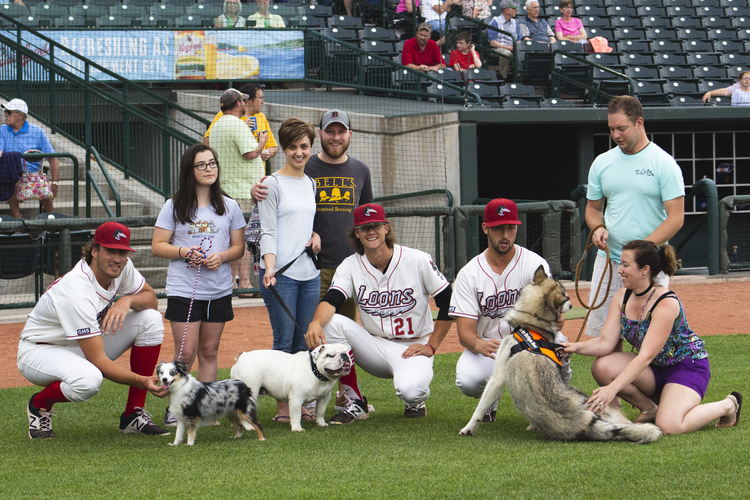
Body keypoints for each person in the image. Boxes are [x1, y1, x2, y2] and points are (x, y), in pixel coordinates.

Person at [563, 240, 742, 433]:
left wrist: (611, 389)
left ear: (644, 270)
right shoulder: (622, 296)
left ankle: (728, 405)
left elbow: (645, 356)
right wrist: (574, 347)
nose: (620, 270)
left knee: (669, 426)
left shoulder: (666, 303)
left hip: (687, 367)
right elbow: (605, 342)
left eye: (626, 265)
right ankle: (650, 407)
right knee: (602, 366)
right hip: (655, 368)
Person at [17, 222, 168, 439]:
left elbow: (151, 300)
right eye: (110, 251)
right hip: (41, 351)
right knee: (89, 380)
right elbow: (98, 360)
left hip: (84, 343)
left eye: (122, 252)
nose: (117, 258)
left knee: (150, 319)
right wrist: (141, 380)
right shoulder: (76, 291)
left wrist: (127, 299)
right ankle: (39, 404)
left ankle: (133, 415)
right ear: (94, 251)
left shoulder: (122, 268)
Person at [305, 204, 453, 422]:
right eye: (364, 228)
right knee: (329, 322)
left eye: (375, 226)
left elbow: (448, 301)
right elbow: (332, 299)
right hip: (375, 346)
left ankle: (415, 401)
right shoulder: (350, 265)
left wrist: (432, 345)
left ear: (386, 227)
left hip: (413, 346)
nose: (370, 232)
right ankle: (355, 402)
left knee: (411, 391)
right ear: (357, 233)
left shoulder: (417, 259)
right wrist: (315, 322)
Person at [152, 144, 247, 427]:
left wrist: (222, 257)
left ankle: (206, 409)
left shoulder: (230, 206)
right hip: (184, 289)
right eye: (202, 165)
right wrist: (184, 252)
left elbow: (239, 247)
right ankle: (176, 408)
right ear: (189, 171)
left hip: (218, 290)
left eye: (212, 163)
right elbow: (158, 246)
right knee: (186, 352)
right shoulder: (174, 205)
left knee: (209, 350)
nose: (209, 169)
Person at [450, 198, 569, 421]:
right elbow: (465, 332)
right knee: (468, 380)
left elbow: (555, 316)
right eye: (498, 228)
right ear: (486, 228)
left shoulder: (534, 264)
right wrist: (479, 344)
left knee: (561, 345)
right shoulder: (469, 274)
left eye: (510, 228)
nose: (505, 234)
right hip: (492, 345)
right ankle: (491, 399)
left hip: (531, 340)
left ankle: (554, 406)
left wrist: (556, 318)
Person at [584, 95, 685, 339]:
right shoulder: (602, 163)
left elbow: (676, 218)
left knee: (652, 338)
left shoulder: (664, 163)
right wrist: (598, 227)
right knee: (605, 339)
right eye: (611, 129)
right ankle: (613, 379)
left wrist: (642, 251)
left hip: (649, 264)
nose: (616, 135)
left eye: (622, 128)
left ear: (639, 122)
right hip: (609, 262)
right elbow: (593, 208)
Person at [257, 118, 321, 423]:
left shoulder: (311, 183)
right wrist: (269, 267)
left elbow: (305, 225)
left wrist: (315, 237)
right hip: (279, 274)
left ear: (311, 147)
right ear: (283, 148)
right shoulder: (271, 184)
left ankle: (300, 404)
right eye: (293, 146)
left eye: (304, 146)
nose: (299, 152)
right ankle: (283, 409)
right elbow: (268, 231)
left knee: (302, 342)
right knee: (283, 343)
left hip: (309, 273)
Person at [209, 88, 268, 293]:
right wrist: (261, 143)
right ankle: (244, 283)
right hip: (243, 191)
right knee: (241, 239)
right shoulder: (237, 124)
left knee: (230, 239)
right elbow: (251, 153)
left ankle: (233, 281)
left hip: (224, 191)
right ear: (238, 104)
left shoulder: (217, 125)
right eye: (243, 100)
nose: (246, 103)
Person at [0, 99, 59, 217]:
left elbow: (53, 159)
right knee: (12, 178)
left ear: (21, 115)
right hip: (10, 172)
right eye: (5, 111)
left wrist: (55, 182)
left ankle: (52, 218)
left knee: (43, 184)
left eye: (9, 112)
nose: (5, 114)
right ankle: (18, 219)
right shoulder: (1, 130)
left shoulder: (38, 132)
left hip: (33, 173)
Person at [204, 84, 278, 177]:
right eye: (260, 98)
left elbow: (273, 147)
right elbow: (207, 142)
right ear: (249, 100)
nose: (262, 102)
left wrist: (267, 153)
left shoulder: (261, 117)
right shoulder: (225, 114)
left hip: (256, 177)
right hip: (233, 174)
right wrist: (239, 126)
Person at [488, 0, 522, 80]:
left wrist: (516, 46)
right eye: (514, 8)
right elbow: (493, 43)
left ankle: (520, 78)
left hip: (512, 48)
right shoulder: (495, 21)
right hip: (497, 49)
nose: (516, 10)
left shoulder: (515, 22)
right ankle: (503, 78)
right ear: (507, 10)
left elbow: (519, 39)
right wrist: (509, 48)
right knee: (506, 53)